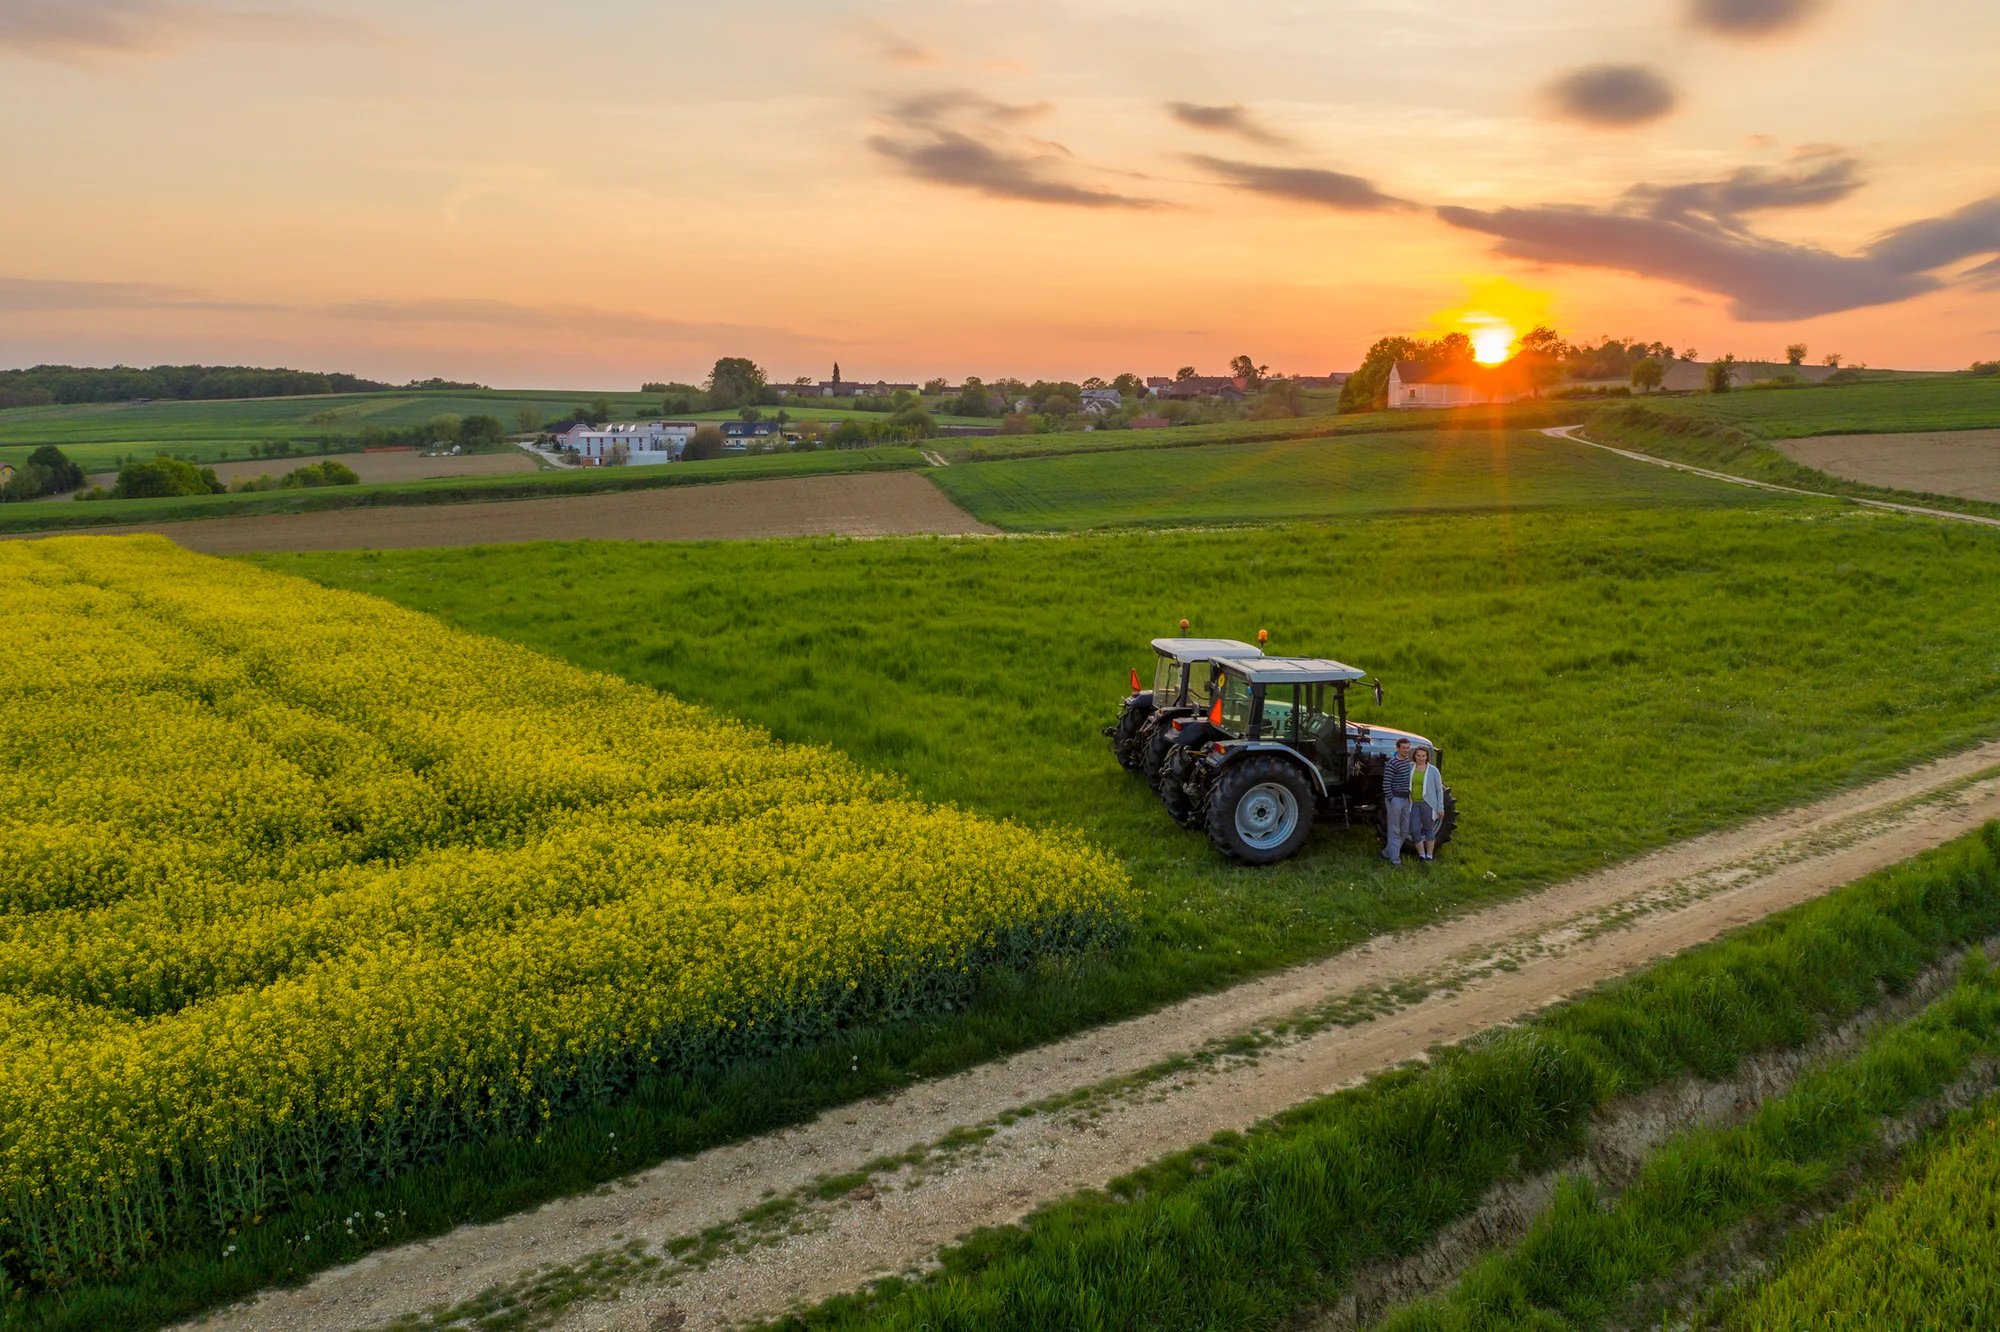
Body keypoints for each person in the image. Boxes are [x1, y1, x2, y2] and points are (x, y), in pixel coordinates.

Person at [1381, 737, 1413, 866]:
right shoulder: (1392, 763)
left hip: (1406, 799)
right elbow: (1386, 783)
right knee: (1394, 829)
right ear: (1398, 748)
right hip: (1395, 799)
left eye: (1407, 748)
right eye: (1403, 748)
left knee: (1404, 829)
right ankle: (1395, 860)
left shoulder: (1407, 762)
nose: (1405, 750)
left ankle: (1387, 852)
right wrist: (1392, 799)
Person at [1409, 746, 1443, 862]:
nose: (1421, 758)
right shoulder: (1410, 768)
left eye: (1423, 756)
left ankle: (1429, 856)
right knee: (1414, 829)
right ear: (1415, 756)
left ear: (1427, 757)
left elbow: (1439, 790)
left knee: (1428, 828)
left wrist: (1440, 807)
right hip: (1413, 803)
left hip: (1427, 803)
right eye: (1418, 755)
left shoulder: (1433, 771)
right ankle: (1421, 854)